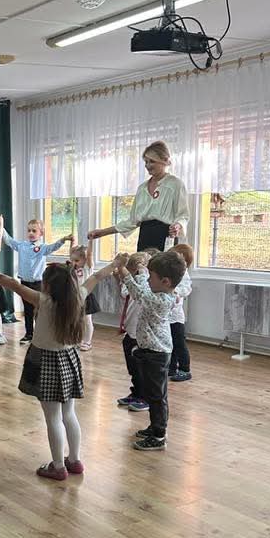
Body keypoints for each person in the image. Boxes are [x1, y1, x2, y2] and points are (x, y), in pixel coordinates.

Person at [0, 257, 120, 481]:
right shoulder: (78, 296)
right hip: (69, 359)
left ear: (47, 285)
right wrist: (115, 264)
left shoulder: (43, 301)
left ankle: (58, 467)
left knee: (53, 418)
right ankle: (74, 460)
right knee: (69, 413)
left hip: (45, 361)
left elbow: (13, 284)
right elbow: (96, 276)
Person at [114, 249, 187, 451]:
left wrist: (124, 271)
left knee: (156, 397)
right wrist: (144, 271)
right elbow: (145, 288)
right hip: (150, 351)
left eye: (151, 277)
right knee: (152, 394)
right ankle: (155, 427)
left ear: (165, 281)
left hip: (157, 355)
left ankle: (158, 435)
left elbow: (139, 294)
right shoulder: (159, 292)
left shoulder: (161, 300)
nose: (148, 280)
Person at [87, 140, 189, 252]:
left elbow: (183, 215)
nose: (147, 165)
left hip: (166, 237)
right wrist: (102, 232)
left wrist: (178, 225)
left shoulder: (175, 184)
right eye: (146, 162)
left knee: (163, 263)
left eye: (152, 161)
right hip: (145, 237)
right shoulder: (142, 188)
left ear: (164, 161)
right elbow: (132, 221)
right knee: (142, 263)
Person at [0, 216, 73, 343]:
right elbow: (9, 240)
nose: (31, 233)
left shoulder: (42, 247)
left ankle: (42, 334)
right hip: (24, 283)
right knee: (27, 310)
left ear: (41, 233)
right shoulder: (22, 245)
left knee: (40, 310)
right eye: (29, 230)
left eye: (34, 231)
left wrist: (63, 239)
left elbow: (53, 247)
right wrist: (1, 225)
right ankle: (29, 334)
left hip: (38, 284)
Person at [116, 251, 150, 411]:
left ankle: (145, 397)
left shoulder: (146, 287)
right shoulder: (132, 284)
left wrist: (141, 272)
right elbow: (124, 292)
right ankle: (136, 393)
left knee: (141, 368)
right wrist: (121, 274)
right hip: (130, 332)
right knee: (133, 369)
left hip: (140, 335)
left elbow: (140, 291)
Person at [169, 243, 194, 383]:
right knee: (169, 343)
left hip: (176, 317)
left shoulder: (183, 273)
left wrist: (177, 292)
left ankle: (185, 369)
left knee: (179, 343)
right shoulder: (169, 270)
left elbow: (187, 288)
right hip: (166, 316)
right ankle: (171, 367)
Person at [69, 239, 99, 351]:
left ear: (85, 259)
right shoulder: (73, 269)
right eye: (72, 260)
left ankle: (87, 342)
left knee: (87, 320)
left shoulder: (87, 268)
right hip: (76, 297)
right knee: (77, 320)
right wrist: (71, 242)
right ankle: (78, 340)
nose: (74, 263)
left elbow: (90, 254)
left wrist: (91, 241)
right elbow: (71, 253)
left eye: (77, 260)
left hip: (86, 297)